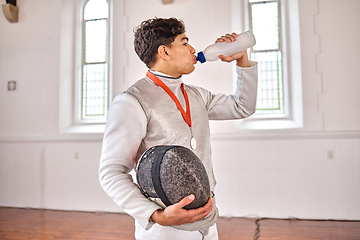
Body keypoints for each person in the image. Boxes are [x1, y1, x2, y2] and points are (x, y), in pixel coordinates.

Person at [99, 17, 258, 240]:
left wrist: (242, 57)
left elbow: (242, 107)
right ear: (164, 52)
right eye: (184, 43)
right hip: (165, 230)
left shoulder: (197, 95)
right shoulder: (131, 101)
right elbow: (111, 172)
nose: (193, 49)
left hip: (208, 223)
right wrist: (155, 215)